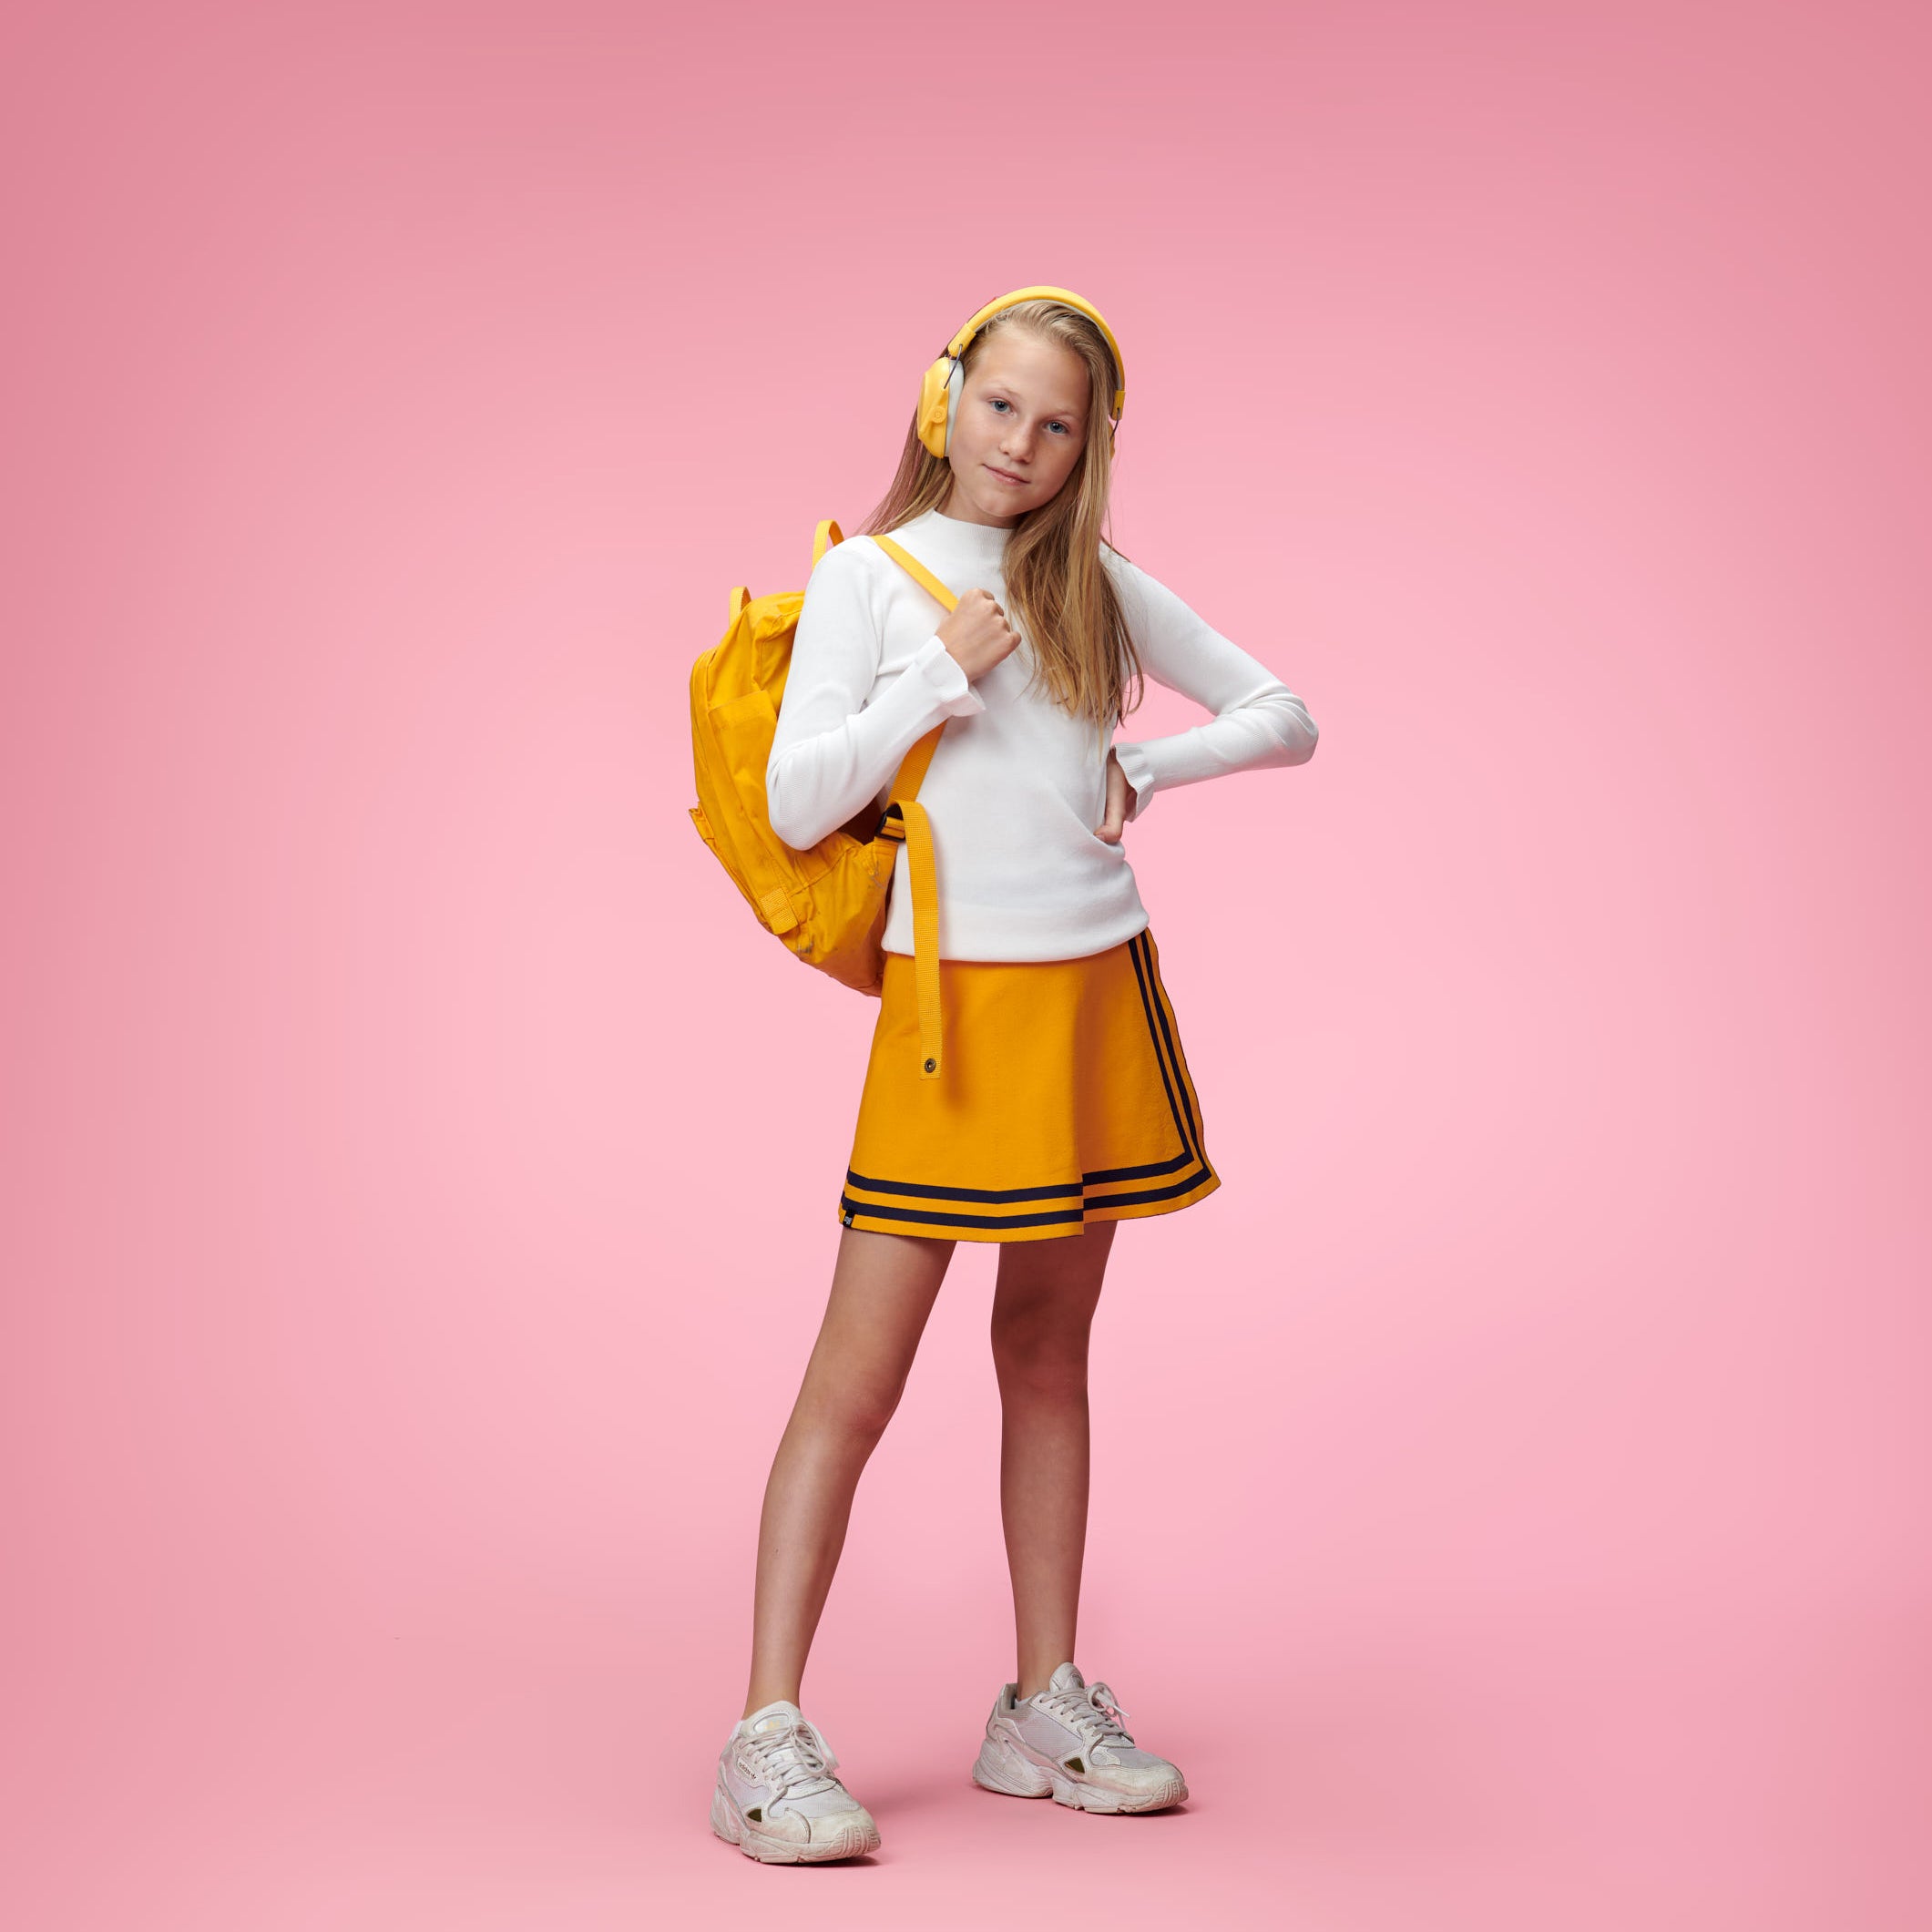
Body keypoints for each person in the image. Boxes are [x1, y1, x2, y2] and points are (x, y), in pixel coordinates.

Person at [708, 288, 1320, 1865]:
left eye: (1057, 425)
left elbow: (1284, 713)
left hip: (1092, 996)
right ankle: (763, 1730)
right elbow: (791, 804)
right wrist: (930, 679)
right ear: (942, 396)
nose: (1022, 446)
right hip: (947, 1019)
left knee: (1048, 1357)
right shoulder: (866, 575)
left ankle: (1040, 1697)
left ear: (1086, 446)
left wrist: (1153, 764)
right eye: (1000, 408)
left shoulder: (1095, 580)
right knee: (856, 1381)